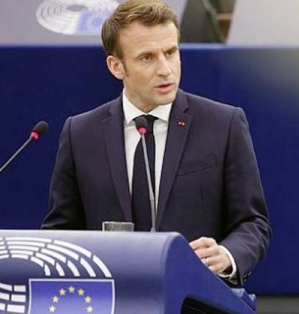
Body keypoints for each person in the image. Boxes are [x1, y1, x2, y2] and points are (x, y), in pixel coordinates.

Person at [41, 0, 270, 285]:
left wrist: (226, 254)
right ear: (116, 66)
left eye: (171, 52)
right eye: (147, 57)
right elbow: (61, 230)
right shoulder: (80, 133)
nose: (165, 69)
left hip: (196, 298)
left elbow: (253, 223)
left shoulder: (224, 124)